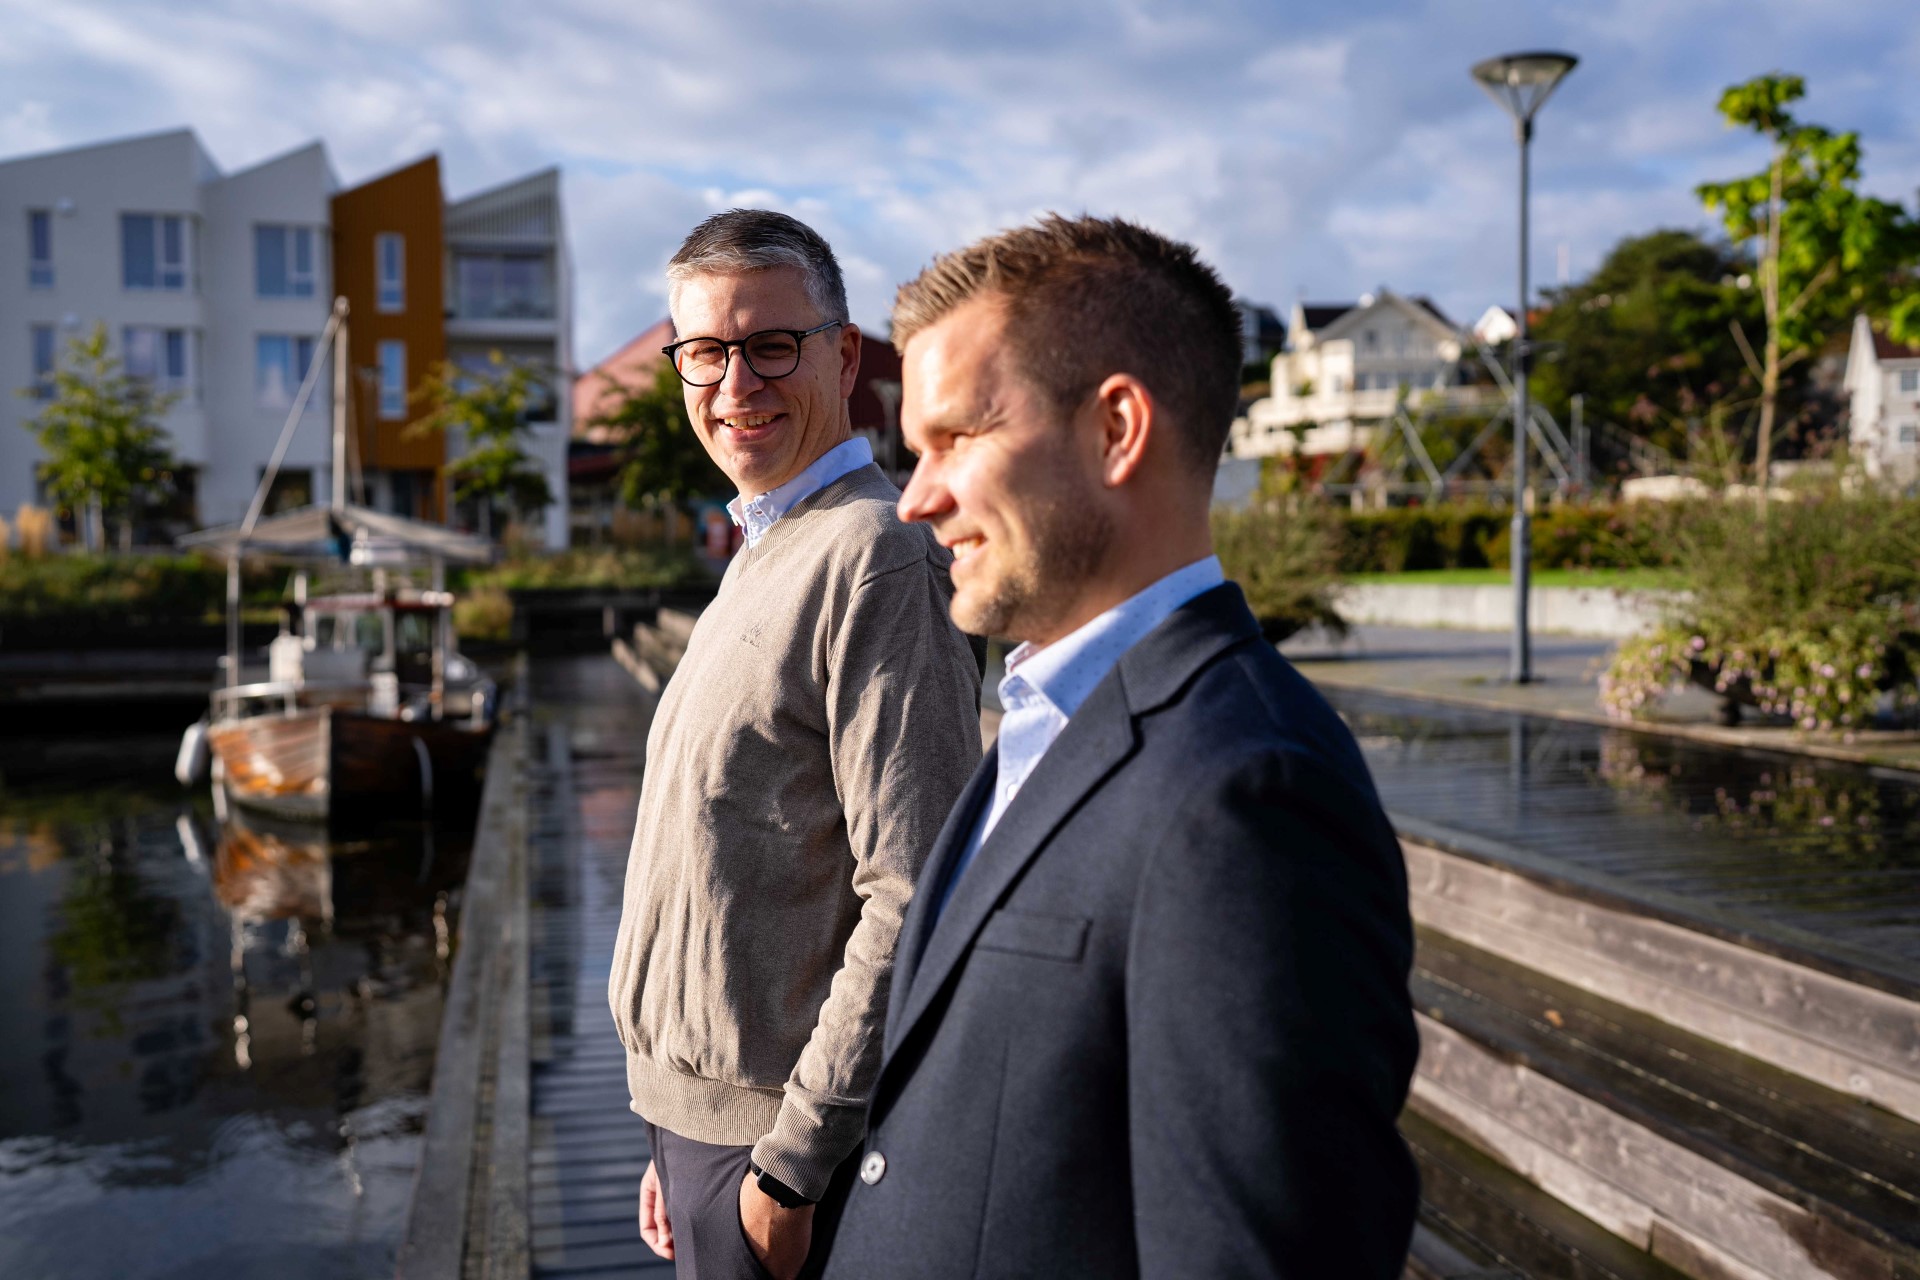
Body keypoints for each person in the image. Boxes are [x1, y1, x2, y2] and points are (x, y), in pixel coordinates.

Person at [824, 215, 1419, 1278]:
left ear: (1116, 430)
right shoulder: (1044, 719)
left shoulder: (1250, 794)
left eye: (955, 436)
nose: (915, 495)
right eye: (915, 451)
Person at [608, 209, 983, 1280]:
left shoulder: (875, 555)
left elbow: (915, 886)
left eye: (772, 343)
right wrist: (666, 1115)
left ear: (844, 353)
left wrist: (786, 1169)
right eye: (705, 352)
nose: (736, 383)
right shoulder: (768, 543)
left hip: (779, 1156)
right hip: (700, 1134)